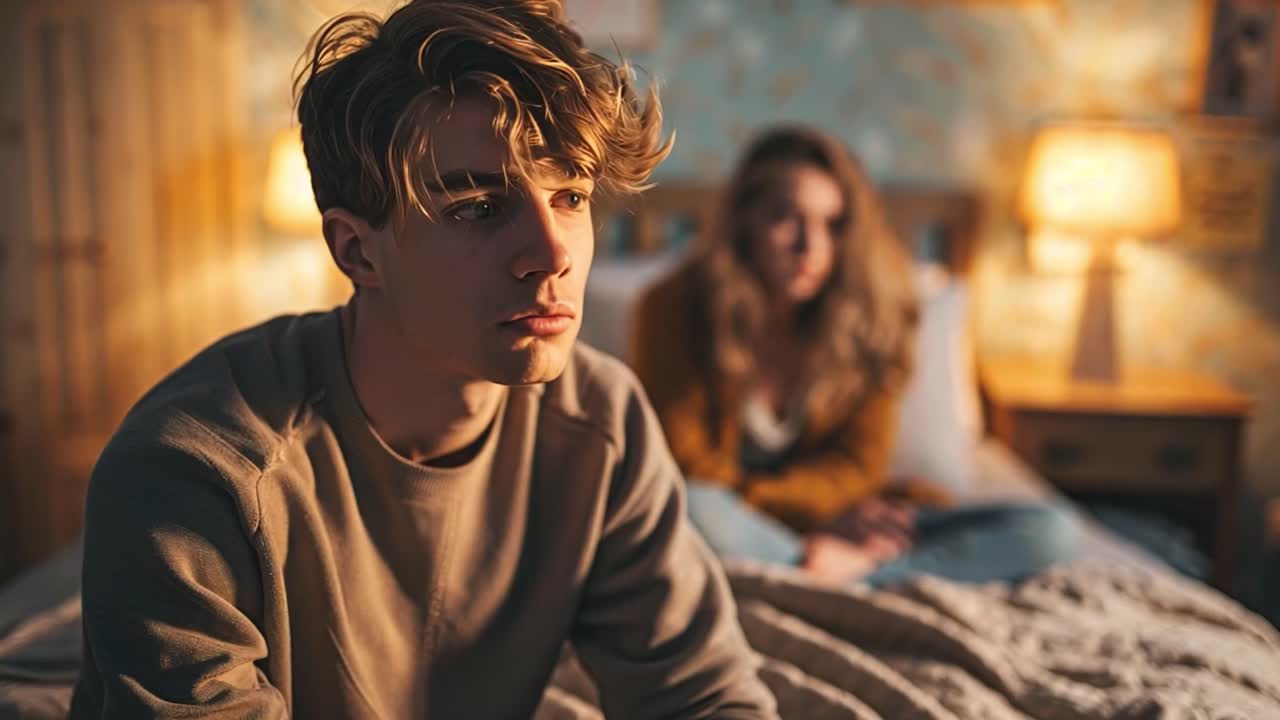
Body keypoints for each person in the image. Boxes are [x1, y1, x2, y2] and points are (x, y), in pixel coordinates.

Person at [69, 2, 779, 717]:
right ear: (356, 249)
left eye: (570, 195)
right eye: (477, 206)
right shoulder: (195, 471)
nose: (554, 253)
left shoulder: (603, 421)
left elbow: (704, 694)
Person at [632, 126, 1078, 588]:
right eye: (786, 217)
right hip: (744, 518)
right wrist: (819, 520)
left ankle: (837, 578)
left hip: (850, 519)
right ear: (745, 221)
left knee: (1051, 530)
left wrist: (849, 532)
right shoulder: (676, 307)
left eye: (832, 223)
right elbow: (686, 463)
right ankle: (849, 577)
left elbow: (859, 464)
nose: (810, 245)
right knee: (688, 504)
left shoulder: (874, 320)